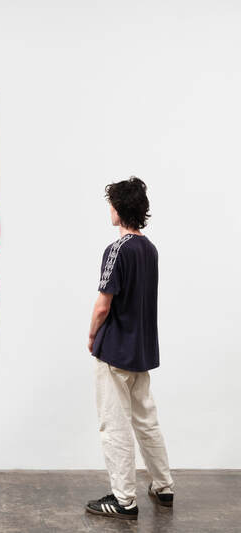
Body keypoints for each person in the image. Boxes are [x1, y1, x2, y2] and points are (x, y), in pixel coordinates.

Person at [85, 177, 174, 520]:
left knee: (115, 426)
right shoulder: (150, 249)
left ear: (119, 209)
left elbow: (103, 305)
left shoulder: (117, 250)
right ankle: (163, 487)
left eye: (111, 204)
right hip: (141, 352)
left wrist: (92, 335)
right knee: (146, 421)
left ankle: (124, 500)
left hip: (115, 351)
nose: (109, 209)